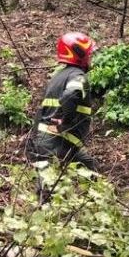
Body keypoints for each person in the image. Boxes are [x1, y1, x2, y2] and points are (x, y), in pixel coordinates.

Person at [27, 32, 98, 170]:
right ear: (79, 54)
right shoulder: (78, 76)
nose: (91, 58)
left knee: (87, 165)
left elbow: (41, 111)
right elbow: (70, 96)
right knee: (86, 171)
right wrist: (65, 121)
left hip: (44, 142)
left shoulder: (57, 77)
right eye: (89, 54)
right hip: (57, 142)